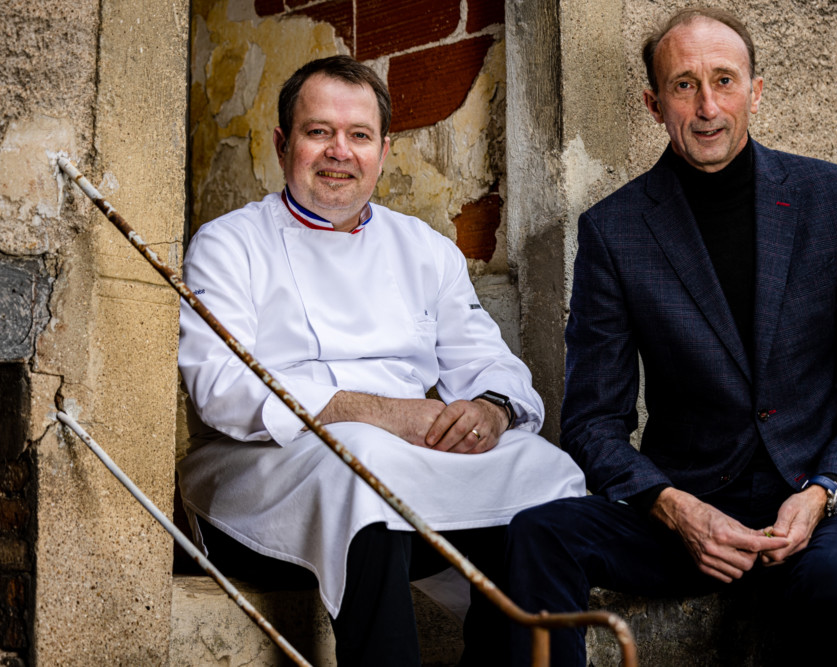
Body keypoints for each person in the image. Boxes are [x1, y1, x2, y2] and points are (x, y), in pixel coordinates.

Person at [506, 7, 837, 665]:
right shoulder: (616, 231)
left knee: (836, 584)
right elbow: (592, 424)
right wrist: (674, 510)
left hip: (818, 504)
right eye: (683, 84)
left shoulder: (832, 199)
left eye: (724, 80)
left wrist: (821, 493)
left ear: (755, 91)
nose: (706, 106)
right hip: (688, 508)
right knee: (537, 534)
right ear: (653, 102)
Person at [177, 55, 585, 667]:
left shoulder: (425, 249)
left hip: (416, 463)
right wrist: (386, 415)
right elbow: (220, 388)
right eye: (319, 132)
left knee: (543, 470)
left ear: (384, 150)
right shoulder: (228, 243)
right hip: (271, 471)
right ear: (283, 143)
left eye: (359, 136)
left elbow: (492, 366)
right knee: (362, 465)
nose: (339, 152)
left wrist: (489, 411)